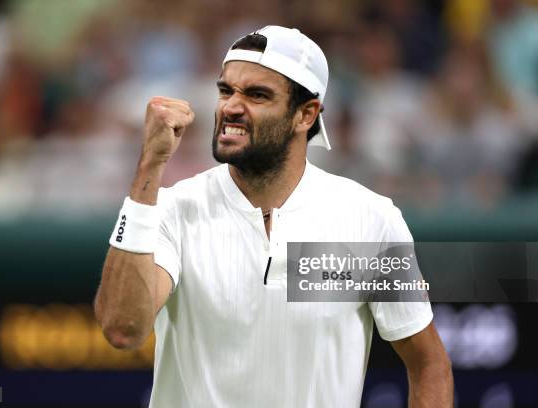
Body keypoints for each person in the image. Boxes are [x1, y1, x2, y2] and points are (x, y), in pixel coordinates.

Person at [94, 25, 453, 407]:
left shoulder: (372, 219)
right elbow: (122, 328)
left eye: (257, 95)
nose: (231, 106)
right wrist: (150, 166)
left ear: (305, 114)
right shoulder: (171, 209)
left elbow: (429, 363)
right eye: (226, 90)